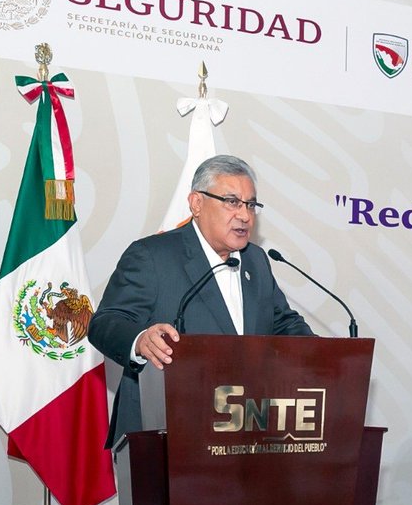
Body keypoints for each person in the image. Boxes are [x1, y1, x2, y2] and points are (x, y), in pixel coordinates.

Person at [89, 154, 314, 448]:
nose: (245, 215)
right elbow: (105, 321)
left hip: (241, 429)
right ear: (196, 203)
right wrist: (140, 339)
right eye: (232, 202)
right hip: (160, 429)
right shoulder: (152, 256)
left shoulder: (256, 260)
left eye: (251, 204)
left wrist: (323, 357)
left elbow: (282, 322)